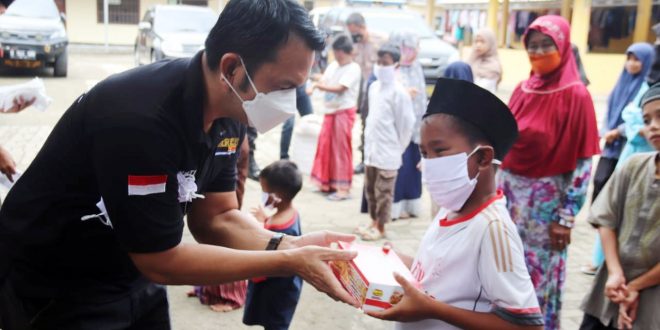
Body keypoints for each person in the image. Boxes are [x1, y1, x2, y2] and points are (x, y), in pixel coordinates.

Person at [0, 1, 359, 329]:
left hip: (134, 270)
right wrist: (286, 263)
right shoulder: (140, 119)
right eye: (283, 87)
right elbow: (161, 260)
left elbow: (216, 217)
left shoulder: (232, 111)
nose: (289, 103)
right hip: (58, 283)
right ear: (232, 68)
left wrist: (285, 245)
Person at [367, 78, 543, 330]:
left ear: (482, 157)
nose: (427, 163)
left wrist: (431, 309)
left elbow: (528, 325)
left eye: (439, 151)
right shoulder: (450, 209)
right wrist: (395, 262)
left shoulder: (493, 229)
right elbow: (443, 274)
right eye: (424, 154)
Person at [496, 15, 601, 329]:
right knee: (505, 271)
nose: (539, 52)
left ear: (564, 47)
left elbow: (583, 164)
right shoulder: (521, 90)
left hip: (547, 210)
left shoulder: (576, 95)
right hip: (510, 200)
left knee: (539, 280)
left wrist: (566, 218)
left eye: (547, 45)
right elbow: (502, 145)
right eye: (532, 45)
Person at [579, 83, 660, 330]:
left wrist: (635, 286)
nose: (653, 126)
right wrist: (615, 273)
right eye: (647, 120)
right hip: (611, 286)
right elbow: (606, 219)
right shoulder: (634, 165)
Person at [582, 42, 655, 276]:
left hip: (634, 149)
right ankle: (602, 259)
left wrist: (622, 131)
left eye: (637, 59)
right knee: (607, 199)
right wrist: (610, 130)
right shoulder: (625, 82)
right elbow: (625, 112)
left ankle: (606, 262)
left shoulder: (648, 85)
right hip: (616, 151)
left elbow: (636, 116)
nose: (632, 63)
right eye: (629, 58)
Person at [359, 44, 415, 241]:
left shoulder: (399, 93)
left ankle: (381, 227)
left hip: (388, 152)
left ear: (396, 66)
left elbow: (406, 126)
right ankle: (373, 221)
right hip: (372, 151)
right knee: (371, 190)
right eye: (378, 62)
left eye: (385, 63)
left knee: (384, 193)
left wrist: (397, 148)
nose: (380, 66)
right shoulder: (374, 88)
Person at [244, 160, 304, 330]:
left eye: (264, 191)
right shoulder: (291, 214)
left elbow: (263, 265)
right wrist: (266, 219)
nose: (262, 195)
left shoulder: (275, 230)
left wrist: (261, 225)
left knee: (273, 324)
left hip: (273, 291)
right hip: (288, 286)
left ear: (277, 196)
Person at [309, 35, 361, 201]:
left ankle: (343, 188)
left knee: (341, 150)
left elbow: (340, 88)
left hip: (343, 112)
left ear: (348, 53)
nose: (338, 56)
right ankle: (327, 184)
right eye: (336, 52)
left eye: (340, 53)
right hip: (330, 111)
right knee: (325, 147)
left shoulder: (353, 68)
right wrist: (313, 78)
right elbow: (324, 78)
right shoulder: (333, 66)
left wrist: (317, 86)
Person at [388, 30, 427, 221]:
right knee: (400, 169)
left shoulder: (416, 67)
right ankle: (395, 208)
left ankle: (411, 205)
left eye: (415, 48)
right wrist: (404, 94)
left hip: (416, 129)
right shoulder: (393, 69)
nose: (415, 51)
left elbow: (422, 98)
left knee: (413, 168)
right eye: (410, 48)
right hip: (398, 129)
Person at [346, 12, 384, 175]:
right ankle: (364, 160)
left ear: (363, 27)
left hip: (379, 90)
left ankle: (378, 158)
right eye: (351, 33)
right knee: (364, 125)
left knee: (379, 125)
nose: (354, 36)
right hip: (362, 92)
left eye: (356, 32)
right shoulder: (352, 44)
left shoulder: (380, 40)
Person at [280, 85, 313, 160]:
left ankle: (309, 154)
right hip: (286, 91)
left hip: (301, 89)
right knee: (289, 125)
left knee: (310, 121)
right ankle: (284, 157)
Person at [468, 28, 502, 93]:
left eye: (482, 41)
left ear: (491, 43)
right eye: (476, 41)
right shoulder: (471, 60)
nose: (478, 45)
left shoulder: (493, 66)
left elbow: (481, 89)